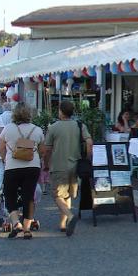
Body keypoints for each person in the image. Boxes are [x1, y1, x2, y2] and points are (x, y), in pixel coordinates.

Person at [43, 101, 93, 236]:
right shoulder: (79, 125)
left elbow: (47, 149)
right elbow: (89, 142)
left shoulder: (53, 127)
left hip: (59, 165)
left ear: (60, 111)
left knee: (57, 195)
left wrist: (46, 164)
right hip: (75, 165)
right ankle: (63, 224)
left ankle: (69, 216)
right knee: (68, 194)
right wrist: (87, 158)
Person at [0, 104, 45, 240]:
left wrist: (4, 160)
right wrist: (38, 159)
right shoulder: (37, 130)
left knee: (10, 195)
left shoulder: (7, 129)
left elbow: (1, 148)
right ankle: (27, 229)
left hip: (12, 167)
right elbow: (43, 151)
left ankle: (15, 223)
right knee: (29, 197)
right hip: (32, 167)